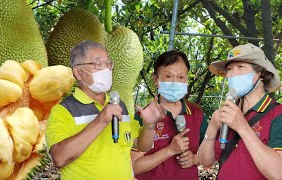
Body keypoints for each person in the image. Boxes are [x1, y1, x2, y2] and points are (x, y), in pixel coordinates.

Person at [45, 40, 165, 180]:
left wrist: (149, 126)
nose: (106, 69)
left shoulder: (119, 106)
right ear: (78, 72)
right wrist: (100, 120)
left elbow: (141, 146)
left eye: (108, 64)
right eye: (98, 64)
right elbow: (59, 158)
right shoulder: (64, 110)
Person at [198, 43, 282, 179]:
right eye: (229, 69)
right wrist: (212, 127)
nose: (232, 74)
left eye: (240, 67)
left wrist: (242, 126)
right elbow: (204, 162)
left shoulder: (277, 114)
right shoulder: (227, 112)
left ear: (260, 74)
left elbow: (278, 173)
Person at [131, 50, 208, 180]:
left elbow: (209, 155)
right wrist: (170, 150)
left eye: (181, 77)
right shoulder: (143, 117)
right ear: (156, 80)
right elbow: (133, 167)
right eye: (168, 76)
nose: (175, 82)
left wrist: (195, 159)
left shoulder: (197, 114)